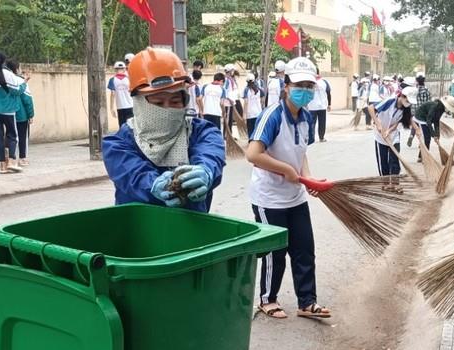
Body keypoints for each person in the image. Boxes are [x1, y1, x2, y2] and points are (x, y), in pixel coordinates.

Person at [245, 57, 331, 320]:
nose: (304, 90)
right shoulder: (272, 115)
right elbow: (253, 154)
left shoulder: (307, 117)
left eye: (309, 85)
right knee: (275, 252)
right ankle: (267, 299)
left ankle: (307, 301)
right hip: (268, 197)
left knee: (304, 248)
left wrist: (307, 178)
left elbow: (300, 152)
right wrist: (286, 170)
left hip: (295, 196)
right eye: (299, 85)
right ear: (286, 86)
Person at [102, 48, 226, 213]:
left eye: (175, 101)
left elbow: (210, 155)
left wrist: (206, 172)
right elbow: (132, 174)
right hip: (138, 231)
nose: (167, 109)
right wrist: (153, 185)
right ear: (139, 103)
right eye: (158, 103)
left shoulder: (201, 132)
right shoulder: (118, 144)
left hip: (192, 231)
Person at [368, 87, 418, 191]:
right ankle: (385, 183)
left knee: (394, 159)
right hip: (380, 135)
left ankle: (395, 183)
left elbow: (398, 123)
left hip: (393, 135)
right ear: (402, 96)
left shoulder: (405, 109)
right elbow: (371, 108)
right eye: (407, 100)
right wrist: (378, 124)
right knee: (383, 160)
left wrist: (389, 131)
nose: (408, 104)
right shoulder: (389, 101)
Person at [6, 60, 35, 166]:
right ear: (17, 69)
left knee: (9, 135)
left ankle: (9, 158)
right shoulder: (21, 81)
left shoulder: (4, 80)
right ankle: (22, 158)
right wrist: (31, 115)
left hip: (7, 113)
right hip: (21, 114)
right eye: (20, 68)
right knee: (23, 136)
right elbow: (27, 100)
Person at [413, 95, 454, 162]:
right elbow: (429, 121)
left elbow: (436, 121)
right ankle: (423, 157)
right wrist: (433, 135)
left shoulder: (441, 109)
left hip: (427, 118)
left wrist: (437, 134)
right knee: (427, 138)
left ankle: (421, 156)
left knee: (427, 138)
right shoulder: (434, 107)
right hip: (420, 117)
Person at [307, 68, 331, 142]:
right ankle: (321, 137)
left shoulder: (309, 82)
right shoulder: (324, 82)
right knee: (322, 122)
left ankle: (311, 138)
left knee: (311, 123)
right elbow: (328, 93)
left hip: (311, 106)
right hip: (322, 106)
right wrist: (329, 104)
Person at [108, 61, 134, 128]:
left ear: (115, 69)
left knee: (122, 127)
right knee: (131, 127)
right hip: (130, 106)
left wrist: (111, 108)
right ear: (124, 69)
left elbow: (113, 94)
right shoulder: (130, 79)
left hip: (120, 107)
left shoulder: (112, 80)